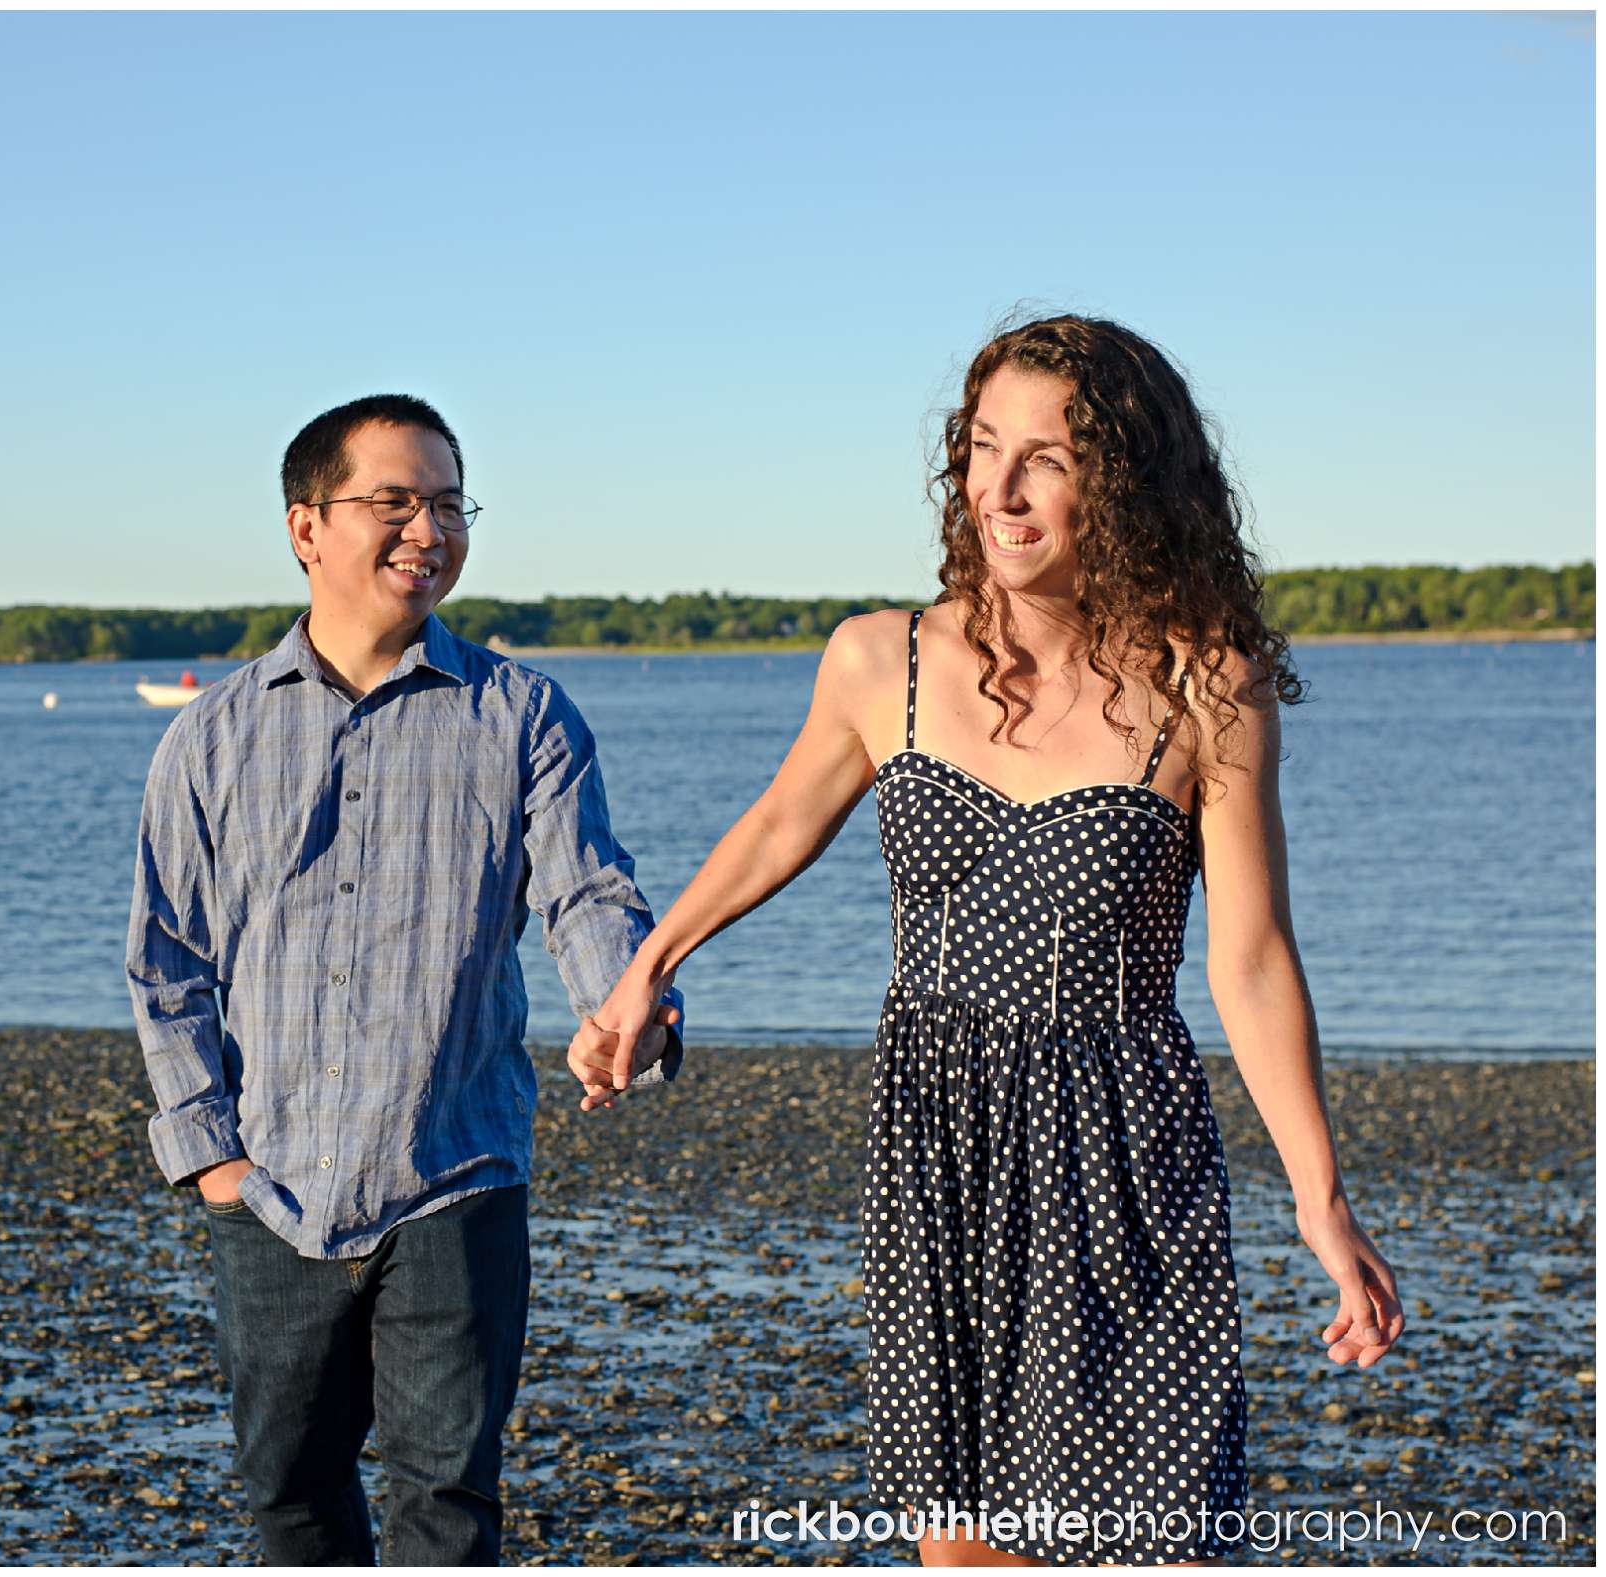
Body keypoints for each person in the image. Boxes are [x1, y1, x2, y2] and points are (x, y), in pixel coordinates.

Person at [573, 316, 1403, 1564]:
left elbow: (1249, 956)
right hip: (936, 1128)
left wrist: (1319, 1199)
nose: (999, 491)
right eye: (980, 449)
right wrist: (648, 970)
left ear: (1123, 482)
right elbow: (778, 825)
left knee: (1149, 1530)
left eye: (1047, 460)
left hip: (1121, 1135)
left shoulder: (1203, 684)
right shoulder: (880, 658)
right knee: (963, 1545)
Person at [127, 392, 684, 1565]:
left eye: (447, 503)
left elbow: (583, 889)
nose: (426, 529)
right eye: (394, 502)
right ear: (305, 527)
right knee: (289, 1496)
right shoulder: (210, 736)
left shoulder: (521, 712)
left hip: (456, 1171)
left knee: (448, 1506)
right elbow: (167, 960)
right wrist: (210, 1156)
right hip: (268, 1186)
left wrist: (623, 998)